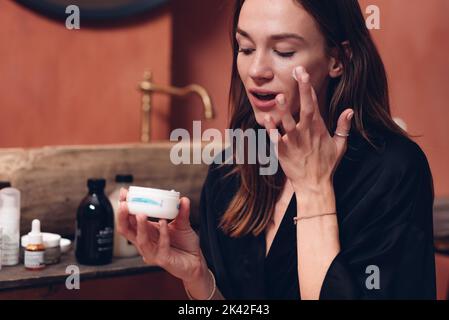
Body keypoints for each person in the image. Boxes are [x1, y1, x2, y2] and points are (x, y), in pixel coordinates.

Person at [117, 0, 436, 300]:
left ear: (337, 59)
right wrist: (200, 279)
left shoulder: (395, 171)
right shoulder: (230, 169)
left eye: (284, 51)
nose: (256, 70)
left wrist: (314, 193)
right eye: (245, 47)